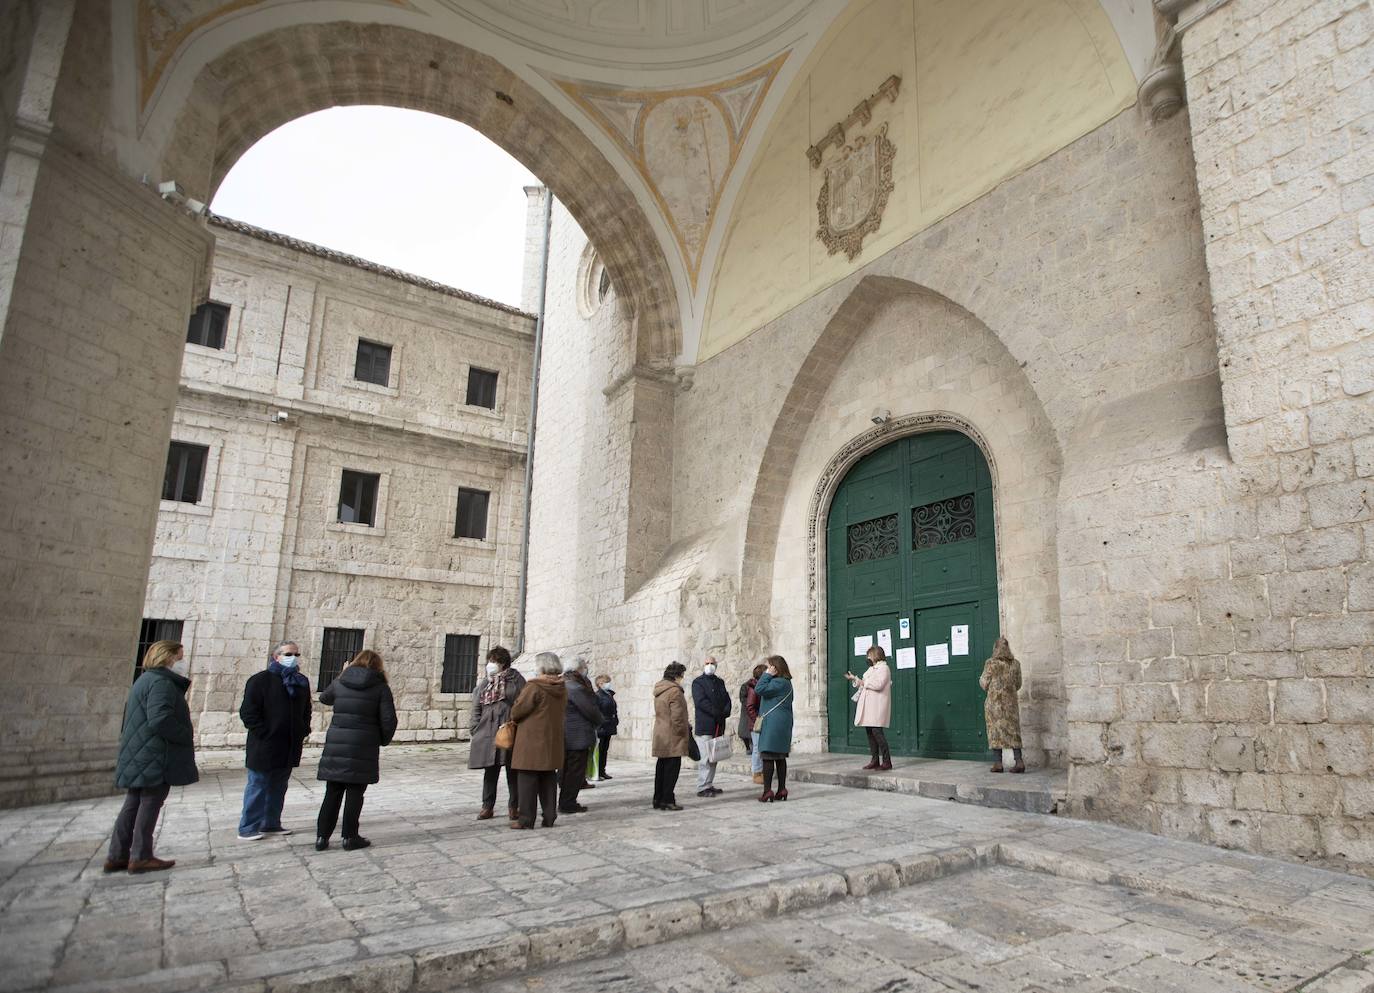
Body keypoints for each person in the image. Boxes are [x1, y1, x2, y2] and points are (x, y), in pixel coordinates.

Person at [105, 640, 198, 874]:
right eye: (180, 657)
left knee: (133, 803)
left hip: (140, 753)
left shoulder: (145, 680)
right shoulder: (161, 683)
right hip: (154, 755)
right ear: (168, 658)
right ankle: (141, 856)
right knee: (149, 803)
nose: (183, 662)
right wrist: (185, 734)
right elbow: (159, 718)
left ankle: (117, 855)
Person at [314, 649, 397, 851]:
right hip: (363, 744)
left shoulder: (340, 683)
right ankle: (350, 837)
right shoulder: (380, 687)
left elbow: (325, 697)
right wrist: (382, 740)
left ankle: (321, 838)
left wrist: (341, 675)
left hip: (337, 743)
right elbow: (388, 719)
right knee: (354, 794)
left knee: (332, 792)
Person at [237, 641, 311, 841]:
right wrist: (264, 732)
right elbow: (248, 712)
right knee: (258, 784)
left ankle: (271, 823)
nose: (293, 657)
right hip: (265, 744)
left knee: (279, 786)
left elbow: (306, 710)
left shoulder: (301, 681)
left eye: (296, 653)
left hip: (288, 744)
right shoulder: (259, 681)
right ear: (276, 656)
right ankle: (248, 826)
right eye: (288, 653)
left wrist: (303, 728)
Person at [509, 652, 567, 829]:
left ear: (541, 667)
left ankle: (526, 819)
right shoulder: (562, 687)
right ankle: (549, 816)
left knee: (527, 779)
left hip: (531, 739)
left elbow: (518, 711)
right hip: (552, 738)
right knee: (548, 777)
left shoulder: (535, 686)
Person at [468, 645, 525, 821]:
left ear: (503, 663)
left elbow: (523, 701)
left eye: (495, 661)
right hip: (488, 731)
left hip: (509, 729)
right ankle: (487, 806)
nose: (491, 665)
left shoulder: (515, 679)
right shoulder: (485, 683)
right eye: (490, 661)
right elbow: (477, 705)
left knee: (512, 771)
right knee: (490, 771)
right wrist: (475, 727)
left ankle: (514, 807)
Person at [560, 656, 601, 814]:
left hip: (566, 734)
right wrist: (599, 720)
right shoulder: (575, 688)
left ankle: (565, 800)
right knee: (575, 771)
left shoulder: (564, 684)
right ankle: (568, 802)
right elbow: (590, 710)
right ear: (579, 670)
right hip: (576, 736)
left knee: (566, 770)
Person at [979, 635, 1025, 773]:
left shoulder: (991, 663)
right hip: (1011, 704)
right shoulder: (1016, 664)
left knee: (995, 732)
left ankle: (998, 763)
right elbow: (1018, 684)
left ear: (995, 648)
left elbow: (984, 683)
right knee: (1014, 732)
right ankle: (1019, 761)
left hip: (995, 704)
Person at [754, 655, 795, 802]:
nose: (767, 669)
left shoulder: (778, 682)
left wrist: (766, 675)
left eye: (769, 666)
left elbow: (758, 689)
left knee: (768, 756)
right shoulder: (786, 683)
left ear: (775, 668)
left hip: (773, 724)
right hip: (782, 724)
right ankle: (782, 789)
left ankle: (767, 791)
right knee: (780, 757)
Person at [651, 661, 691, 811]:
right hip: (673, 735)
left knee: (661, 768)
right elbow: (677, 717)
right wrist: (683, 733)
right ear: (677, 676)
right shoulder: (675, 691)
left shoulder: (660, 689)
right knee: (672, 769)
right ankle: (667, 799)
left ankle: (658, 798)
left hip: (661, 732)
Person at [846, 644, 892, 770]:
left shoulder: (884, 668)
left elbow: (878, 685)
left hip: (877, 706)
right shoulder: (871, 669)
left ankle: (887, 761)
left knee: (878, 733)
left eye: (869, 655)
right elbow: (864, 683)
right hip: (868, 706)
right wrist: (854, 679)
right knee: (870, 733)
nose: (868, 658)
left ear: (875, 655)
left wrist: (863, 682)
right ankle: (875, 760)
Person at [691, 656, 732, 797]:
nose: (709, 665)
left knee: (714, 756)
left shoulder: (719, 682)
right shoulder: (698, 683)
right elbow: (700, 702)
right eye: (707, 663)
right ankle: (702, 786)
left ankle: (709, 783)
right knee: (705, 758)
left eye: (712, 663)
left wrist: (726, 712)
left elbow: (727, 699)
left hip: (718, 724)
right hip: (705, 725)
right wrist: (716, 713)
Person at [593, 674, 618, 781]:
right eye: (606, 682)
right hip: (602, 726)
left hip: (609, 726)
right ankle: (597, 772)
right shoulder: (598, 696)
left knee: (605, 750)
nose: (609, 683)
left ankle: (602, 770)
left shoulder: (609, 695)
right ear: (600, 684)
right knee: (600, 749)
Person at [743, 663, 765, 784]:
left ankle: (762, 771)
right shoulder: (754, 688)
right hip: (756, 723)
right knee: (756, 748)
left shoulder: (759, 687)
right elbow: (750, 706)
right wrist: (757, 719)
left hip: (759, 721)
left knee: (760, 747)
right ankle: (757, 772)